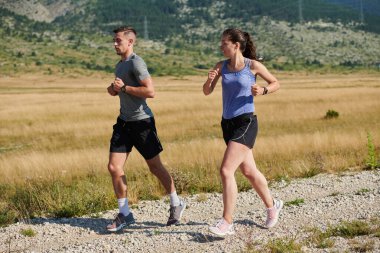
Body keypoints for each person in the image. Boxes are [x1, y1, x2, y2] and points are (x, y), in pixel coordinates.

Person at [203, 28, 283, 236]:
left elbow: (276, 83)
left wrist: (263, 90)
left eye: (224, 43)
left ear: (236, 45)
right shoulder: (221, 66)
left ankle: (227, 222)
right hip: (227, 124)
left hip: (246, 122)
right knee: (249, 171)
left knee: (226, 170)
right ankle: (272, 206)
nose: (221, 47)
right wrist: (210, 79)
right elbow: (206, 91)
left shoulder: (252, 66)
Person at [106, 26, 186, 232]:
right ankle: (125, 214)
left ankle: (176, 203)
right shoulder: (120, 65)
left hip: (142, 123)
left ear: (130, 42)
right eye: (114, 41)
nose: (115, 44)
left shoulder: (137, 62)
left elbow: (150, 91)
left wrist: (124, 88)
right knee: (114, 168)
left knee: (155, 167)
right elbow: (119, 90)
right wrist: (113, 89)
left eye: (118, 41)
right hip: (124, 123)